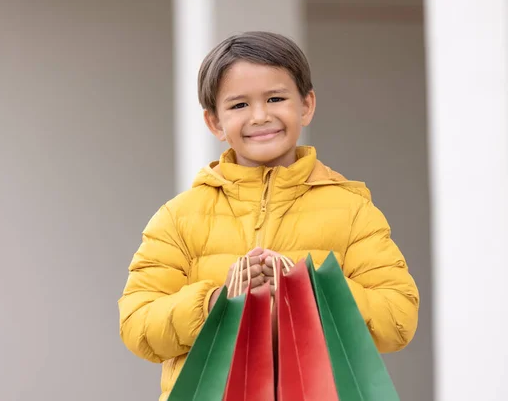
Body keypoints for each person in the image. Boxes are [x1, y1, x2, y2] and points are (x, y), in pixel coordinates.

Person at [118, 31, 419, 401]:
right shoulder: (178, 217)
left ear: (306, 105)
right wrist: (215, 302)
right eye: (239, 105)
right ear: (214, 122)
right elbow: (137, 326)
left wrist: (307, 288)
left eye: (276, 98)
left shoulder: (353, 210)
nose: (260, 116)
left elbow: (398, 319)